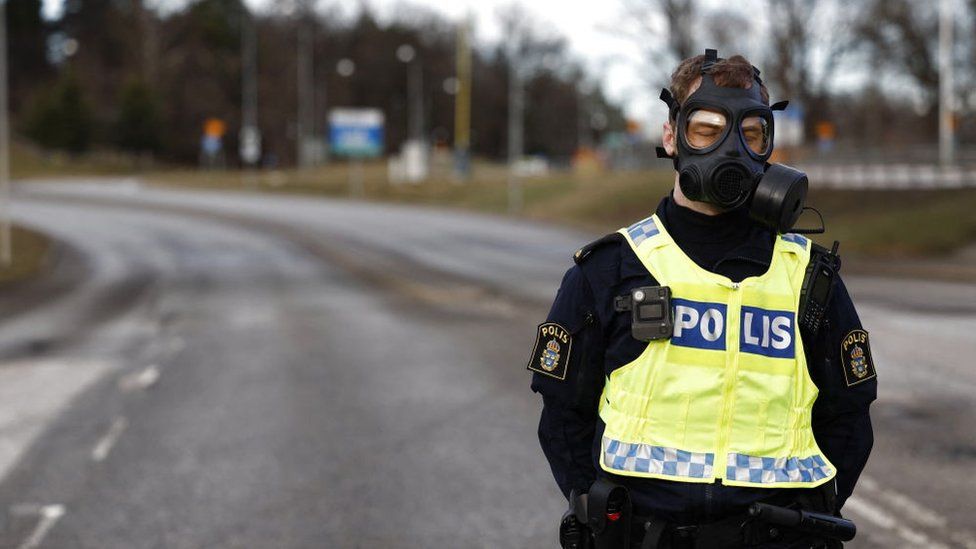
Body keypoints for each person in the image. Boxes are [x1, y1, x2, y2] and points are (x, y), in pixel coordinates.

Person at [527, 49, 876, 548]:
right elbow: (563, 416)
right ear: (671, 136)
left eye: (751, 133)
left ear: (767, 146)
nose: (731, 148)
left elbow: (850, 419)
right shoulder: (609, 269)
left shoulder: (809, 277)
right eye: (708, 131)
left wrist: (808, 523)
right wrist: (599, 515)